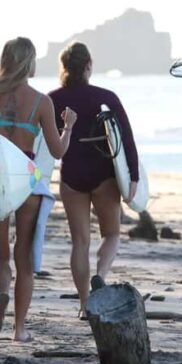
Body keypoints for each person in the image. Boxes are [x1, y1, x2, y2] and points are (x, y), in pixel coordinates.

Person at [0, 37, 77, 342]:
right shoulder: (41, 101)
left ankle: (3, 292)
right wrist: (69, 125)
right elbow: (58, 151)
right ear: (29, 62)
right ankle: (19, 330)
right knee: (25, 260)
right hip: (27, 182)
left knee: (1, 257)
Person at [48, 41, 139, 316]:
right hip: (104, 175)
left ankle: (83, 304)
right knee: (111, 233)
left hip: (72, 174)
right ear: (88, 66)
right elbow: (126, 139)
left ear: (63, 68)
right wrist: (132, 177)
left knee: (80, 242)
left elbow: (43, 143)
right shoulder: (107, 96)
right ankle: (100, 274)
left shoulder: (52, 99)